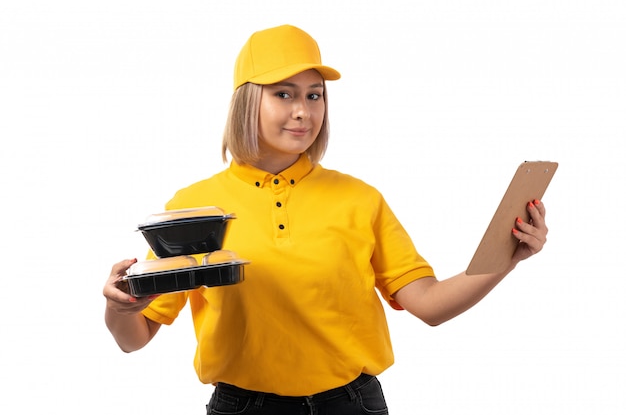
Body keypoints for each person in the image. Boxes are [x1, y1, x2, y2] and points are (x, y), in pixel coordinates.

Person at [103, 24, 549, 415]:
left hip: (353, 405)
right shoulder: (195, 206)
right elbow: (134, 337)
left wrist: (507, 257)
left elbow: (429, 305)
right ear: (246, 102)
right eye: (284, 94)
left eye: (314, 95)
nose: (305, 110)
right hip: (243, 408)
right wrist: (120, 305)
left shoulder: (359, 199)